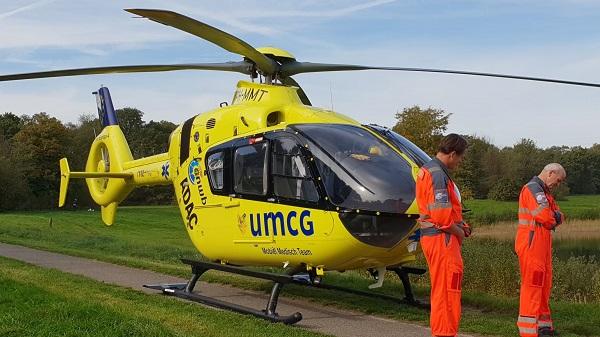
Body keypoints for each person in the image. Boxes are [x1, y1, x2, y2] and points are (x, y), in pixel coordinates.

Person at [416, 133, 471, 337]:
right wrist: (459, 233)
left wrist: (460, 225)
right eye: (460, 158)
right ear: (453, 154)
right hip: (443, 239)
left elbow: (441, 212)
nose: (460, 162)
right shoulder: (438, 174)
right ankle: (445, 333)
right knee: (448, 291)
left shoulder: (428, 170)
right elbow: (441, 216)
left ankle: (442, 332)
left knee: (442, 290)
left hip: (436, 237)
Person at [515, 163, 566, 337]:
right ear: (550, 173)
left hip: (541, 247)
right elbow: (547, 217)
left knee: (544, 288)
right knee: (532, 288)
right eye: (557, 181)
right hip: (531, 247)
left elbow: (558, 215)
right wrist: (555, 217)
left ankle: (544, 328)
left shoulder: (544, 192)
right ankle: (529, 332)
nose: (557, 185)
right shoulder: (533, 189)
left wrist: (555, 216)